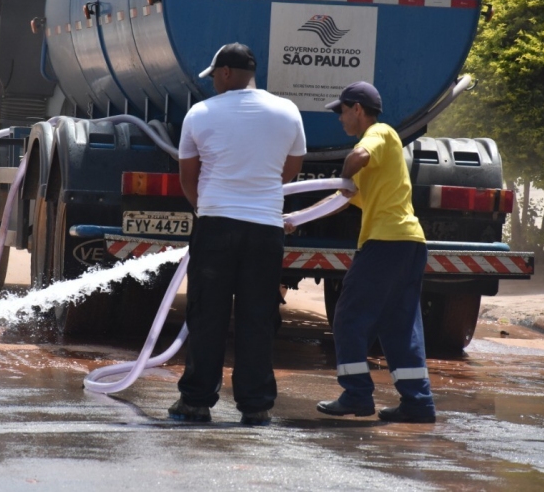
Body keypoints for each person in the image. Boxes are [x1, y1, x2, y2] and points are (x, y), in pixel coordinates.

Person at [170, 42, 306, 426]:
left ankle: (196, 402)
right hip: (265, 229)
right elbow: (290, 169)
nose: (213, 81)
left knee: (207, 315)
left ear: (227, 72)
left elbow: (188, 175)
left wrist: (208, 207)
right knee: (258, 317)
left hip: (216, 225)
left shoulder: (201, 113)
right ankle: (256, 405)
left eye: (214, 75)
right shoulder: (287, 111)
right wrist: (256, 193)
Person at [310, 81, 436, 423]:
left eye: (342, 112)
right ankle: (417, 403)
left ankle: (356, 394)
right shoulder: (378, 160)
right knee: (399, 325)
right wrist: (295, 219)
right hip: (409, 243)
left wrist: (345, 169)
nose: (340, 119)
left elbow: (357, 158)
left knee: (348, 315)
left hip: (386, 243)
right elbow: (343, 199)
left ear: (357, 110)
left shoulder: (380, 133)